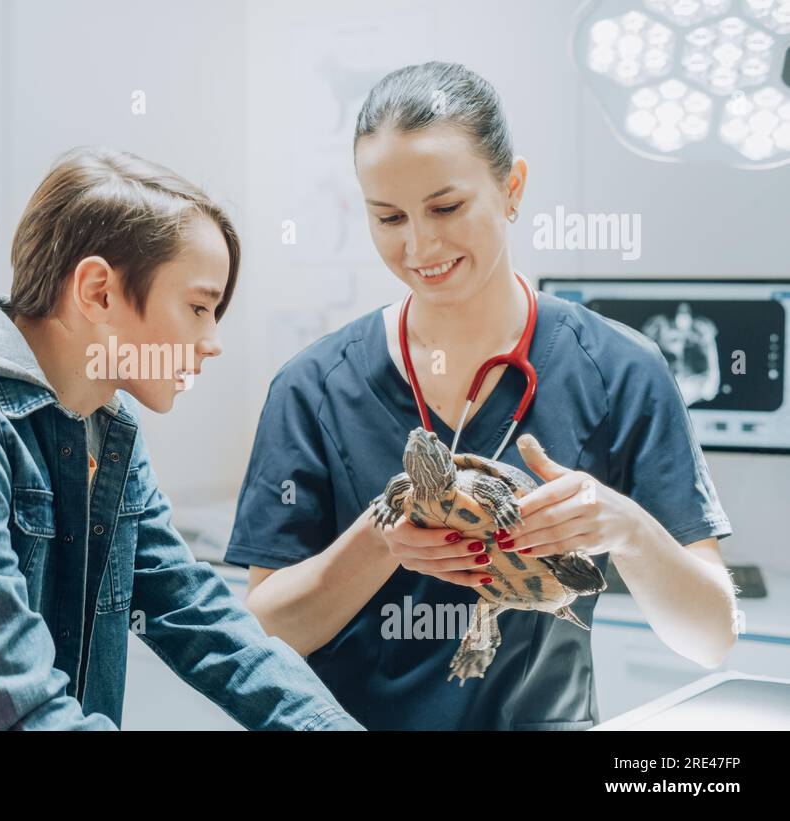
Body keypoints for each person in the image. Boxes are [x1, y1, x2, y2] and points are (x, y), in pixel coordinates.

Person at [226, 62, 738, 730]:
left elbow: (712, 637)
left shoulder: (620, 370)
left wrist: (624, 526)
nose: (420, 244)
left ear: (512, 187)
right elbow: (262, 635)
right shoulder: (313, 387)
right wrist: (384, 539)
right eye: (388, 217)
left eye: (446, 207)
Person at [0, 147, 359, 730]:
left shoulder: (108, 430)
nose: (213, 342)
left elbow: (199, 619)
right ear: (98, 291)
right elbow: (18, 707)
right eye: (199, 307)